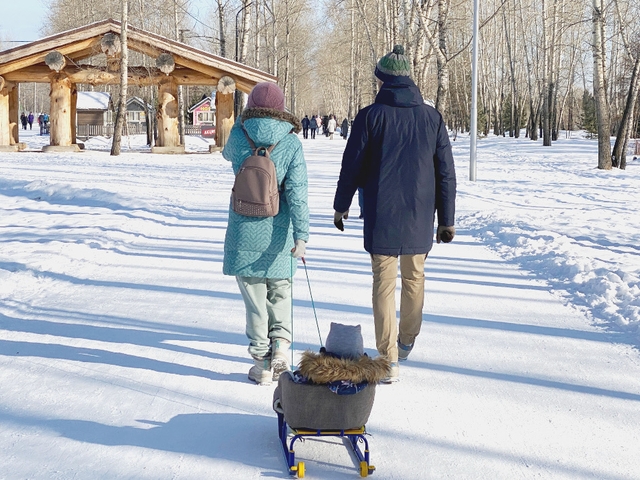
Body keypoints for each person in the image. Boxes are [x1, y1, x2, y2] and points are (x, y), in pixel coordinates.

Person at [332, 45, 457, 383]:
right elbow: (445, 171)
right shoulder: (432, 118)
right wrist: (447, 220)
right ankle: (406, 340)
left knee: (384, 283)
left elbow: (352, 166)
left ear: (383, 80)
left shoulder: (370, 116)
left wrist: (341, 205)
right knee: (414, 277)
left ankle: (388, 360)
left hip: (380, 211)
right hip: (419, 213)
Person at [222, 81, 310, 386]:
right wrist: (302, 236)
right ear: (281, 108)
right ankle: (281, 350)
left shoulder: (238, 134)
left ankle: (261, 363)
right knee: (280, 291)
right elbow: (297, 192)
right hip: (279, 231)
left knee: (255, 299)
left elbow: (226, 155)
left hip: (243, 229)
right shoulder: (291, 141)